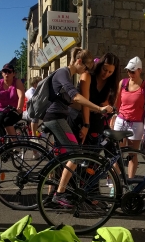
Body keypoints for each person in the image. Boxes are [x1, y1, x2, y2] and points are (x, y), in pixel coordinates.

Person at [42, 47, 113, 206]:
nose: (86, 71)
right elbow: (76, 96)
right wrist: (98, 108)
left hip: (60, 118)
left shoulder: (68, 75)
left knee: (63, 156)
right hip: (55, 118)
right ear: (79, 61)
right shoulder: (63, 73)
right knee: (75, 154)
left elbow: (73, 102)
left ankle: (53, 194)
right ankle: (59, 194)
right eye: (86, 68)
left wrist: (96, 110)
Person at [69, 52, 120, 144]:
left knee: (94, 153)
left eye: (110, 72)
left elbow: (110, 102)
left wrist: (108, 105)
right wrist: (86, 125)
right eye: (105, 69)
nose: (106, 74)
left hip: (96, 119)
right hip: (79, 117)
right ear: (100, 66)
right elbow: (85, 103)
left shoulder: (111, 83)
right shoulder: (87, 76)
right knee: (75, 153)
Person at [113, 56, 145, 178]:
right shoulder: (123, 83)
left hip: (136, 123)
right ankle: (114, 182)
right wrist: (115, 116)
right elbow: (118, 102)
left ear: (140, 70)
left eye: (133, 71)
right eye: (128, 71)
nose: (130, 74)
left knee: (132, 154)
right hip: (121, 120)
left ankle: (130, 182)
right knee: (117, 153)